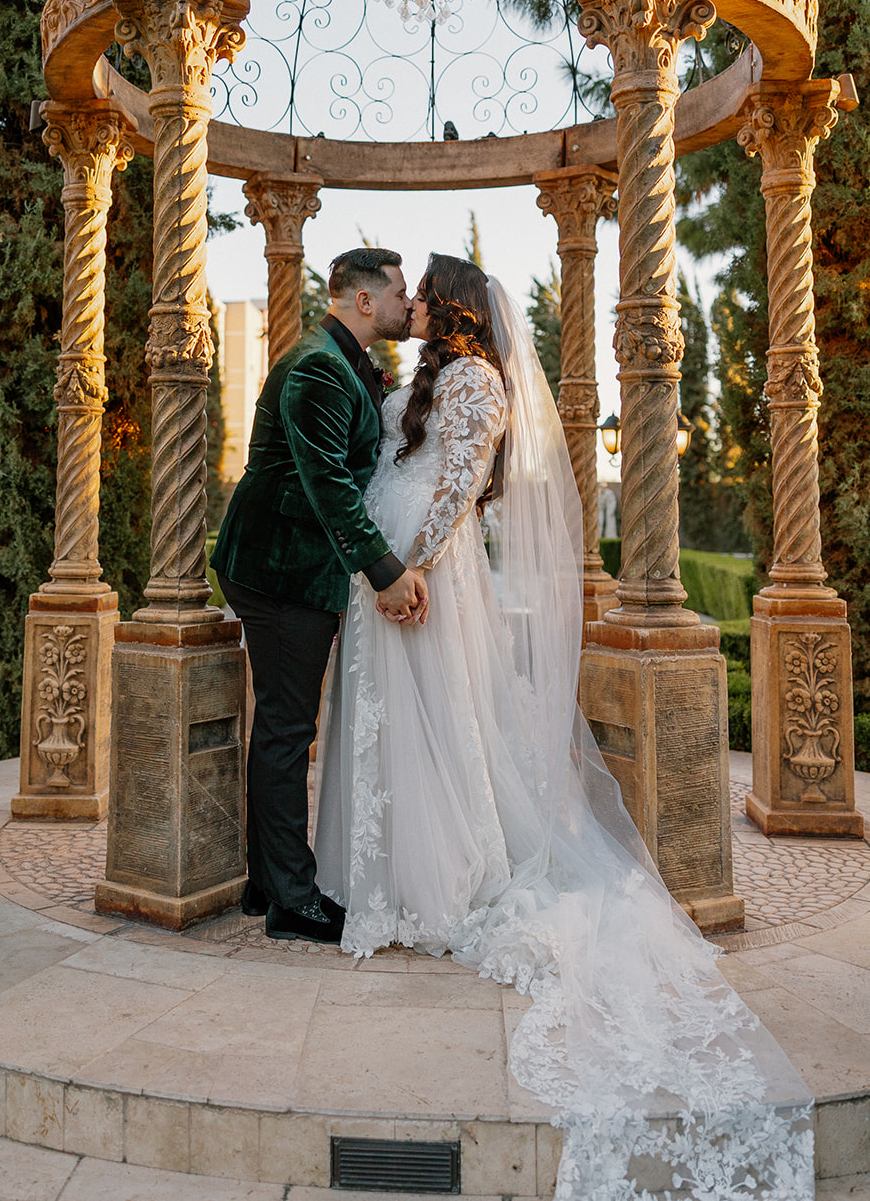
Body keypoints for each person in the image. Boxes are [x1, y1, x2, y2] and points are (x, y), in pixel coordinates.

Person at [314, 253, 814, 1201]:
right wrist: (373, 566)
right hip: (377, 574)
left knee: (438, 726)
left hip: (420, 580)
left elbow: (458, 488)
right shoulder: (423, 377)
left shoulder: (480, 382)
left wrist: (402, 569)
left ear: (452, 305)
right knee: (386, 727)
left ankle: (445, 872)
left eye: (424, 290)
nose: (411, 303)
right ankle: (374, 873)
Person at [212, 247, 428, 945]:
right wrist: (385, 571)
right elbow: (327, 484)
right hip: (279, 568)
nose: (406, 303)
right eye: (397, 292)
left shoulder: (344, 363)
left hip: (298, 568)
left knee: (281, 726)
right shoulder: (316, 368)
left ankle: (265, 881)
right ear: (361, 300)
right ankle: (294, 902)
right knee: (285, 730)